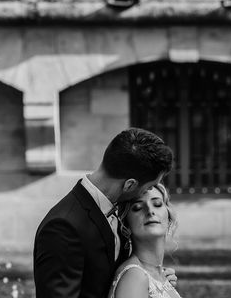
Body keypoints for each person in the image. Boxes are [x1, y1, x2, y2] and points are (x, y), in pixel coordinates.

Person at [33, 128, 175, 298]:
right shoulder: (63, 226)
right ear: (129, 185)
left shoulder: (116, 213)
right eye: (149, 187)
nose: (149, 192)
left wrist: (153, 280)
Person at [109, 183, 182, 298]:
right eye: (137, 208)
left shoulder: (161, 277)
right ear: (126, 226)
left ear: (168, 219)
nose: (150, 211)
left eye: (157, 204)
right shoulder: (134, 277)